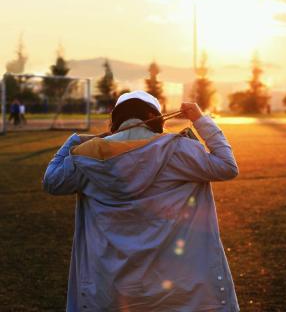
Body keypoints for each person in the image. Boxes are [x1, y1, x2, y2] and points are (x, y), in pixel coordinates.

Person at [43, 90, 240, 312]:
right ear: (155, 118)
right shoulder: (178, 149)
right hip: (178, 288)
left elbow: (52, 181)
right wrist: (199, 119)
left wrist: (74, 141)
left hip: (110, 290)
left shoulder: (87, 156)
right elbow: (227, 166)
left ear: (116, 120)